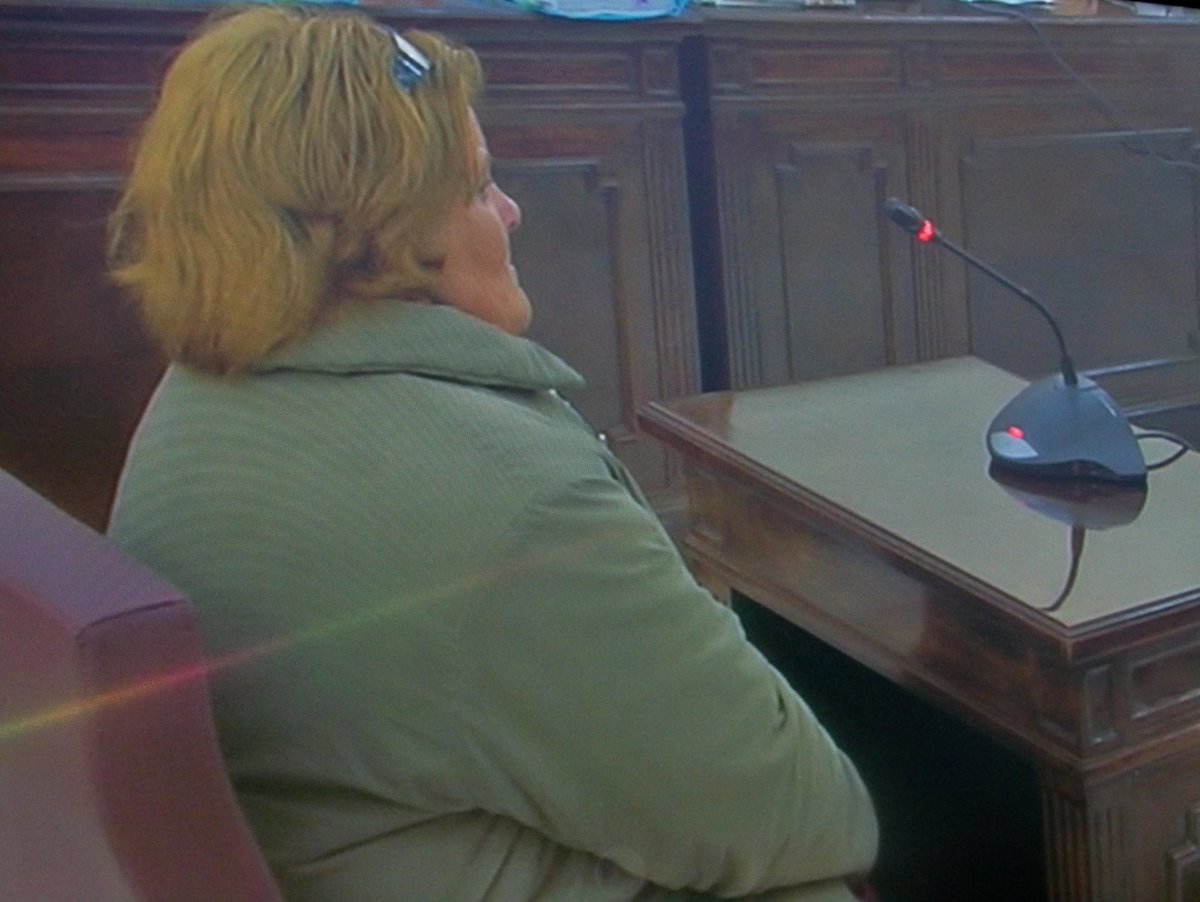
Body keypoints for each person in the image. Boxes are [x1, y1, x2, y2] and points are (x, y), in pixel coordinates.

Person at [105, 7, 878, 901]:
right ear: (384, 233)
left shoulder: (195, 395)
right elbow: (808, 814)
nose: (511, 211)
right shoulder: (509, 501)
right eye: (478, 187)